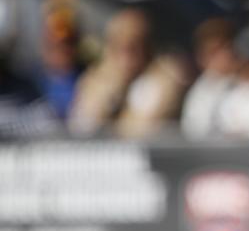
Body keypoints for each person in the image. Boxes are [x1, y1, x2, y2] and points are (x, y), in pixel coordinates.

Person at [68, 7, 188, 138]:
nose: (125, 56)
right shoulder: (98, 79)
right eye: (117, 46)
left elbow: (139, 133)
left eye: (133, 46)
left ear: (148, 47)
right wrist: (110, 90)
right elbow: (81, 128)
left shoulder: (165, 79)